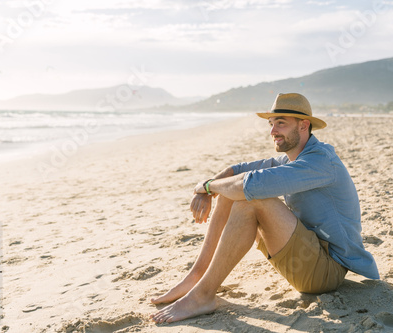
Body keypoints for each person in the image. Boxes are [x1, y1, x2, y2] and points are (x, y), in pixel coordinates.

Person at [151, 93, 379, 324]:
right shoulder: (291, 159)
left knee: (251, 198)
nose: (272, 131)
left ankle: (203, 296)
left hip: (327, 270)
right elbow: (237, 170)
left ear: (304, 125)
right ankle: (197, 276)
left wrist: (208, 186)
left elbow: (250, 185)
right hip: (308, 254)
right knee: (233, 192)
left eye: (281, 123)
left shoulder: (320, 161)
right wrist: (207, 190)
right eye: (271, 124)